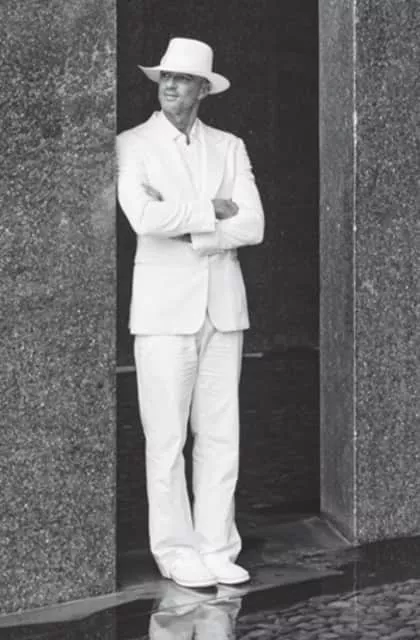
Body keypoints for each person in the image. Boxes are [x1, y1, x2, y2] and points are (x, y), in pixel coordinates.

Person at [117, 37, 264, 589]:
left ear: (204, 88)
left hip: (223, 309)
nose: (170, 86)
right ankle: (175, 551)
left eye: (182, 79)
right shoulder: (132, 144)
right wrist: (212, 211)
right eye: (165, 77)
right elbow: (143, 218)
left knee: (222, 435)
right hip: (162, 313)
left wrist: (190, 229)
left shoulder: (229, 146)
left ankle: (217, 546)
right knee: (166, 439)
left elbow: (253, 225)